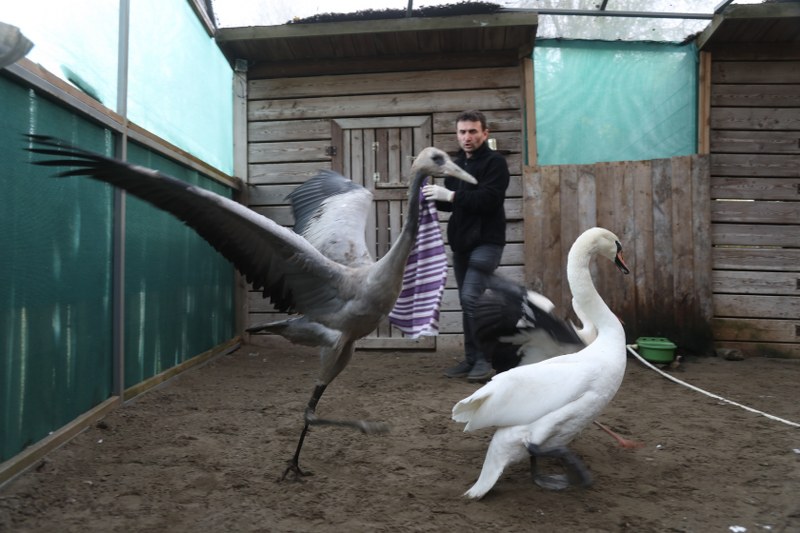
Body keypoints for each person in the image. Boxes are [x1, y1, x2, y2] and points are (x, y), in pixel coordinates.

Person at [422, 110, 510, 382]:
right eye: (462, 132)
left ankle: (485, 360)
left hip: (487, 242)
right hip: (462, 244)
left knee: (471, 298)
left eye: (473, 131)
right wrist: (429, 198)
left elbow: (488, 200)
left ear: (485, 133)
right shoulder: (456, 165)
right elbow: (454, 203)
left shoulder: (495, 164)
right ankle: (472, 359)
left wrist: (449, 194)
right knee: (465, 300)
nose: (467, 137)